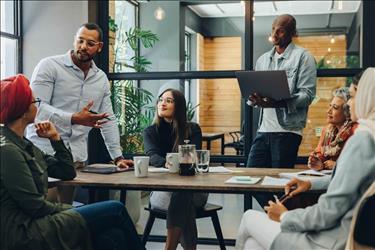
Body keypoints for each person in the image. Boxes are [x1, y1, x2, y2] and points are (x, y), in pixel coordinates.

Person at [235, 68, 375, 250]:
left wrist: (285, 216)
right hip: (341, 236)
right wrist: (310, 183)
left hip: (331, 241)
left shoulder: (362, 141)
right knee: (252, 244)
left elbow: (328, 211)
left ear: (368, 98)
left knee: (248, 218)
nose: (349, 103)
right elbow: (351, 183)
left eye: (353, 96)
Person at [0, 75, 144, 250]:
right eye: (34, 101)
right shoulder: (8, 151)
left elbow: (67, 172)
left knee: (112, 237)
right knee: (115, 209)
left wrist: (56, 139)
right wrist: (72, 210)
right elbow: (35, 207)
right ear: (23, 110)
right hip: (24, 230)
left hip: (38, 220)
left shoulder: (24, 144)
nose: (37, 105)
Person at [25, 23, 132, 204]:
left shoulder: (100, 79)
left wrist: (118, 157)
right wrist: (73, 118)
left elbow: (108, 119)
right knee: (44, 212)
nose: (83, 46)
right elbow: (37, 107)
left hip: (74, 160)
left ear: (99, 47)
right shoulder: (49, 66)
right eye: (80, 40)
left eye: (90, 43)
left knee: (66, 214)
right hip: (44, 155)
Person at [247, 14, 316, 168]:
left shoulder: (304, 57)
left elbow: (308, 95)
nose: (274, 34)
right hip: (263, 130)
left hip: (288, 131)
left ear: (292, 33)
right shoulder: (262, 60)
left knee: (279, 182)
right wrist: (254, 98)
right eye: (273, 29)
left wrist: (280, 102)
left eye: (281, 31)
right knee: (251, 178)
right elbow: (256, 91)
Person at [143, 89, 208, 250]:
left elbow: (190, 158)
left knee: (183, 192)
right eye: (160, 100)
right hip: (162, 193)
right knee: (184, 200)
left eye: (169, 101)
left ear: (179, 106)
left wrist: (177, 161)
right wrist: (167, 162)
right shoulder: (150, 131)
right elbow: (152, 156)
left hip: (195, 191)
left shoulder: (192, 129)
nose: (162, 103)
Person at [308, 87, 357, 171]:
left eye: (335, 107)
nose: (328, 111)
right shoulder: (327, 130)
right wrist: (317, 162)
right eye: (330, 106)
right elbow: (320, 153)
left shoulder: (355, 131)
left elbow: (359, 164)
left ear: (347, 112)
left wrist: (337, 165)